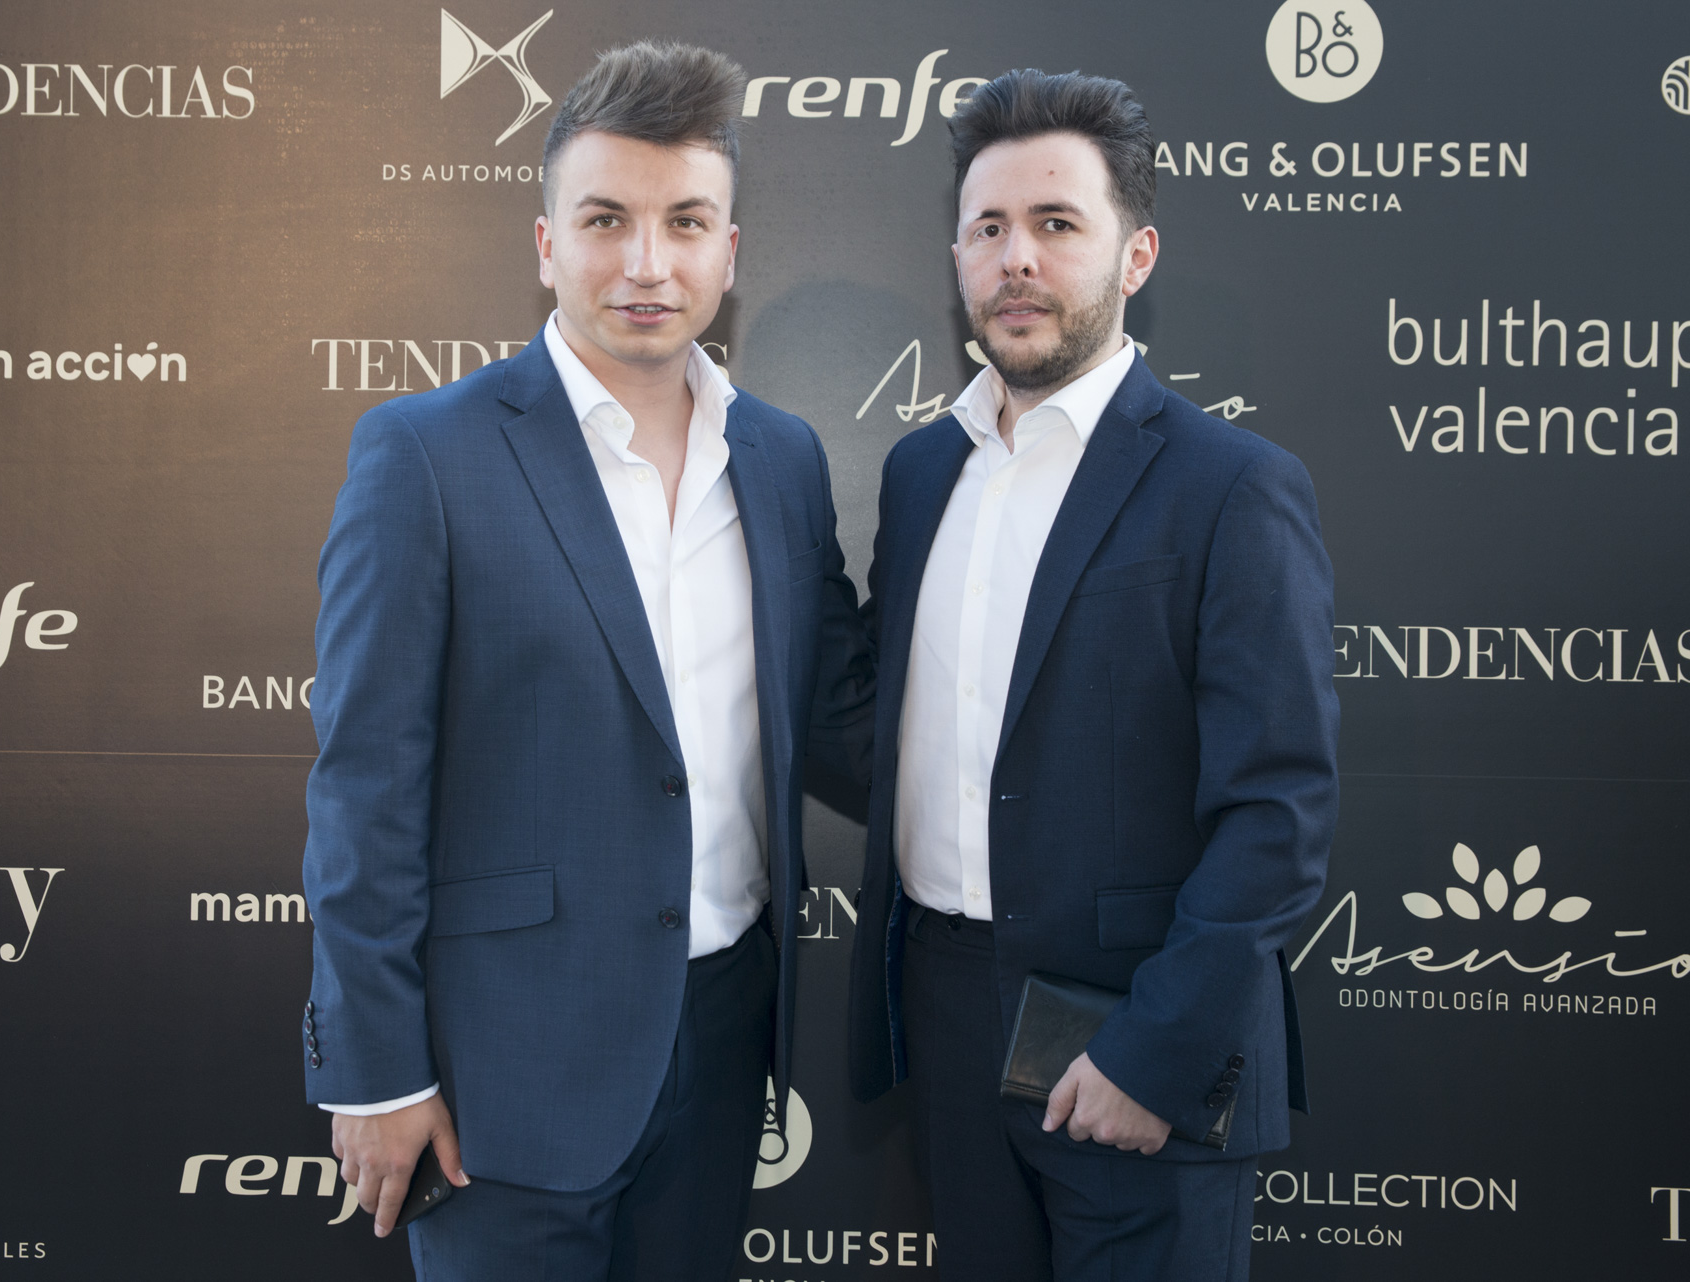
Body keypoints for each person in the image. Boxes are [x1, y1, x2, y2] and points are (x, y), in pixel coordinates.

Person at [301, 40, 871, 1282]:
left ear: (731, 250)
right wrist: (377, 1069)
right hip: (498, 1066)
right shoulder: (424, 455)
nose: (646, 263)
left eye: (686, 223)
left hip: (722, 1037)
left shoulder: (782, 460)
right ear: (547, 243)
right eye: (606, 219)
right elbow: (364, 785)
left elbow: (844, 715)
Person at [847, 70, 1340, 1280]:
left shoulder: (1233, 485)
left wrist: (1153, 1056)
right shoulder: (920, 473)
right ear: (957, 257)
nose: (1017, 257)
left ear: (1136, 255)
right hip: (951, 1020)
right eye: (989, 227)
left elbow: (1278, 814)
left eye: (1057, 223)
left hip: (1143, 1034)